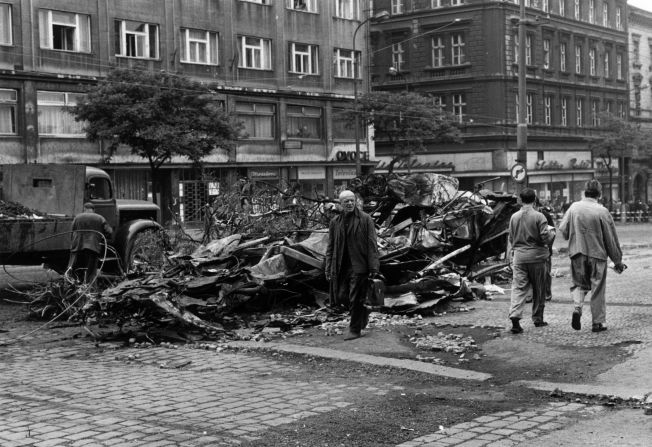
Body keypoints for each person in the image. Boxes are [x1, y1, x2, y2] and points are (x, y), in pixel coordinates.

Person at [559, 179, 626, 333]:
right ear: (599, 194)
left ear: (585, 192)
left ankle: (577, 308)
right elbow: (611, 239)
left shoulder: (574, 207)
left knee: (579, 284)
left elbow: (563, 230)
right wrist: (617, 260)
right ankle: (598, 322)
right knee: (597, 288)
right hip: (597, 255)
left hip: (577, 253)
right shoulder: (602, 211)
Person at [324, 190, 380, 340]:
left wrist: (374, 266)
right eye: (346, 201)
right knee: (341, 297)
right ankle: (363, 312)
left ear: (355, 201)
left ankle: (355, 330)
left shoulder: (365, 219)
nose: (349, 203)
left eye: (352, 200)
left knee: (355, 298)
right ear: (340, 204)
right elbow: (330, 247)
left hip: (359, 265)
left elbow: (372, 244)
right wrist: (328, 267)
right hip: (341, 265)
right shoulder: (335, 222)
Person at [507, 188, 556, 334]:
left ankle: (515, 316)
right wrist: (552, 233)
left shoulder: (514, 217)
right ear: (535, 199)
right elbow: (545, 238)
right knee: (539, 289)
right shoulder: (540, 217)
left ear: (521, 200)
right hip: (537, 257)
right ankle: (538, 319)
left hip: (519, 258)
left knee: (519, 288)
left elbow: (510, 238)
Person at [67, 202, 113, 284]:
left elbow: (72, 231)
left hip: (77, 246)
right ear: (93, 210)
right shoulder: (100, 218)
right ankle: (89, 288)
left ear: (84, 209)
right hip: (92, 247)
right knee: (91, 271)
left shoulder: (77, 217)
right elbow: (109, 231)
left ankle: (74, 286)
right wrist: (103, 238)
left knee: (75, 269)